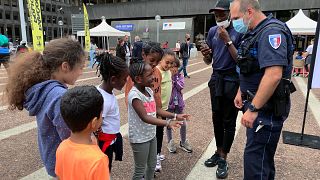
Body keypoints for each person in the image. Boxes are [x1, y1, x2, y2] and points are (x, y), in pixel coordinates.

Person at [230, 0, 294, 179]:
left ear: (249, 12)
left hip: (265, 110)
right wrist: (241, 90)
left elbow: (273, 75)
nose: (233, 22)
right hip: (258, 106)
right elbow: (249, 66)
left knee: (255, 164)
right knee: (261, 159)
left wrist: (253, 109)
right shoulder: (255, 32)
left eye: (236, 18)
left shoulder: (271, 32)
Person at [5, 38, 85, 178]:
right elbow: (71, 137)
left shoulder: (44, 89)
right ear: (65, 66)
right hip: (66, 165)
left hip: (53, 159)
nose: (81, 72)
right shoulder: (59, 96)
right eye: (81, 67)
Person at [200, 0, 243, 178]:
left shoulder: (240, 31)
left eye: (221, 14)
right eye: (216, 14)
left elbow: (240, 59)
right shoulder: (212, 31)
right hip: (216, 78)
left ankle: (224, 157)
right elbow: (208, 61)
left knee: (229, 121)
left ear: (230, 13)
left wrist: (227, 41)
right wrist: (207, 55)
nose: (218, 17)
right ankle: (218, 152)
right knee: (216, 118)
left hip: (232, 79)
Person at [128, 60, 189, 180]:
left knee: (151, 166)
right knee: (140, 170)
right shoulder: (134, 95)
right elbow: (145, 117)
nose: (153, 77)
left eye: (152, 73)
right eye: (149, 75)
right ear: (138, 79)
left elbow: (157, 110)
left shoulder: (149, 91)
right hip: (139, 138)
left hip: (151, 135)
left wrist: (175, 116)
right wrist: (167, 123)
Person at [55, 86, 110, 180]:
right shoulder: (98, 160)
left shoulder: (62, 147)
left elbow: (59, 176)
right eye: (101, 113)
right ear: (93, 122)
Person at [94, 52, 129, 171]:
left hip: (111, 137)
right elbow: (97, 123)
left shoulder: (104, 92)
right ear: (113, 79)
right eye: (124, 79)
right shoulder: (104, 100)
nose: (126, 81)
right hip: (105, 140)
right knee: (105, 167)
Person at [125, 41, 164, 109]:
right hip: (142, 114)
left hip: (156, 112)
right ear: (143, 55)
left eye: (158, 61)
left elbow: (158, 93)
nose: (155, 64)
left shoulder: (158, 72)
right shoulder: (136, 73)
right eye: (152, 60)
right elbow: (128, 96)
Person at [166, 57, 192, 154]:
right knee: (168, 123)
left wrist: (174, 80)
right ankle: (170, 141)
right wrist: (170, 79)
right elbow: (167, 88)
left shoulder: (180, 76)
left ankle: (183, 141)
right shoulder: (166, 77)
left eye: (176, 67)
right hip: (169, 104)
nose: (174, 69)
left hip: (179, 104)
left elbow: (181, 86)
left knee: (183, 123)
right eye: (172, 67)